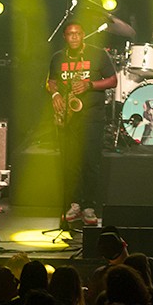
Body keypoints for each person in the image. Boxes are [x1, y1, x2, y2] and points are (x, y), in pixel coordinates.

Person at [46, 20, 117, 225]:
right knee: (69, 163)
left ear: (83, 35)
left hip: (92, 116)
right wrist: (56, 94)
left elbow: (113, 80)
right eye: (70, 34)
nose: (74, 37)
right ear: (65, 37)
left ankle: (89, 206)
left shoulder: (98, 54)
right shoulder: (58, 57)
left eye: (78, 33)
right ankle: (74, 204)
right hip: (68, 118)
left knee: (90, 163)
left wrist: (90, 85)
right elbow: (51, 81)